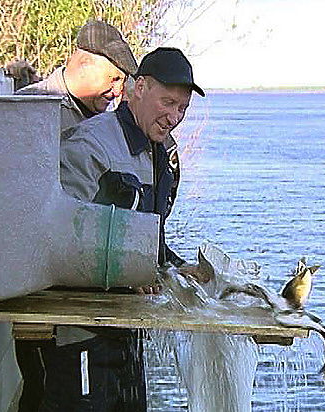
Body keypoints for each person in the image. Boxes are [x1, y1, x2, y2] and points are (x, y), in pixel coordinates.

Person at [38, 47, 204, 411]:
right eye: (167, 102)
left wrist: (175, 269)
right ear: (138, 88)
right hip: (79, 332)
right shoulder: (90, 144)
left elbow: (148, 238)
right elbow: (54, 236)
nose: (174, 116)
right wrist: (129, 270)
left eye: (182, 109)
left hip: (127, 328)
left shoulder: (161, 153)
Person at [13, 20, 138, 412]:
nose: (118, 90)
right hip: (41, 299)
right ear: (82, 62)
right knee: (44, 392)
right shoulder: (32, 109)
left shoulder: (110, 123)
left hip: (89, 295)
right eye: (114, 77)